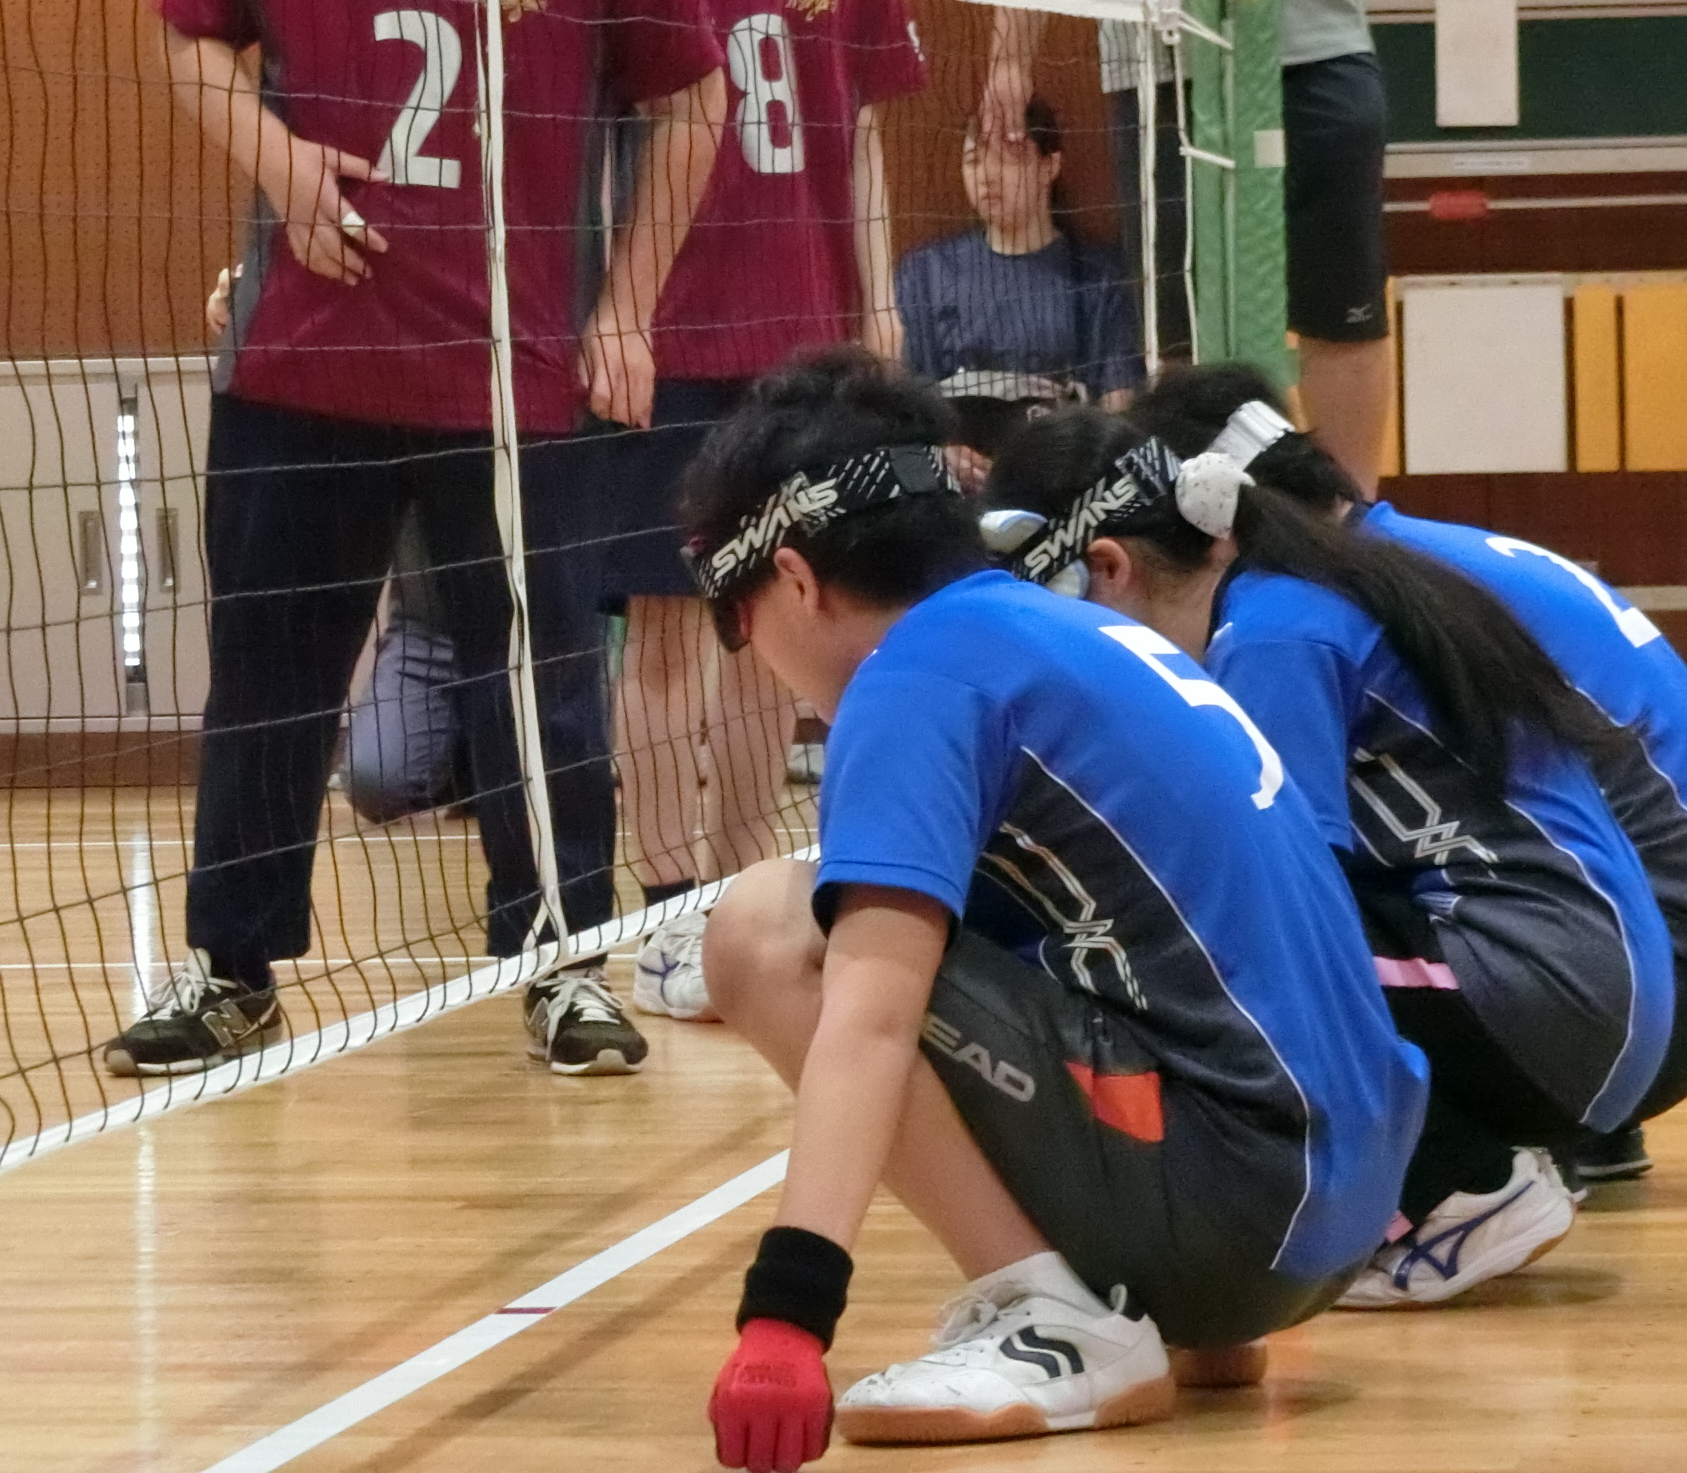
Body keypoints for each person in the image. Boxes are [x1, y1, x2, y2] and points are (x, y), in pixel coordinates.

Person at [684, 350, 1427, 1468]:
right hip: (1341, 1205)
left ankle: (1055, 1322)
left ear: (791, 578)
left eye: (733, 624)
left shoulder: (917, 676)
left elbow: (871, 1022)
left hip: (1243, 1206)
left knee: (760, 930)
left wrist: (786, 1316)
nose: (754, 663)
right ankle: (1183, 1321)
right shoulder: (1054, 627)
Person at [102, 0, 725, 1080]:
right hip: (298, 361)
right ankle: (232, 970)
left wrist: (627, 308)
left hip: (512, 375)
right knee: (267, 678)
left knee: (540, 681)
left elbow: (693, 93)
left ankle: (562, 962)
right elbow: (188, 37)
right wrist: (282, 166)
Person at [986, 405, 1675, 1309]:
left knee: (1174, 956)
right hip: (1588, 983)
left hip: (1561, 994)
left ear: (1108, 568)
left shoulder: (1272, 634)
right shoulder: (1295, 591)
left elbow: (1278, 885)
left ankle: (1457, 1190)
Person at [1131, 363, 1687, 1185]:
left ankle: (1452, 1176)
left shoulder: (1298, 615)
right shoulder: (1411, 556)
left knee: (1259, 916)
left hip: (1642, 975)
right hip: (1641, 969)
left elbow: (1289, 874)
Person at [604, 0, 925, 1025]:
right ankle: (663, 914)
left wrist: (875, 299)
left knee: (769, 625)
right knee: (659, 622)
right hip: (670, 324)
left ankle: (743, 897)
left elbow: (864, 133)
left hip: (800, 330)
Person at [987, 0, 1393, 495]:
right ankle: (1194, 523)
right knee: (1180, 334)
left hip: (1314, 48)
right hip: (1158, 62)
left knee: (1343, 316)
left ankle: (1354, 522)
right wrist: (1009, 59)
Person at [207, 263, 467, 826]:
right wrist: (255, 288)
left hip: (524, 624)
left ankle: (492, 761)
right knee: (372, 780)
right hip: (428, 631)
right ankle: (460, 759)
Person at [897, 102, 1142, 412]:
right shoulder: (926, 273)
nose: (987, 175)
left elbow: (1119, 400)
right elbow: (909, 402)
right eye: (974, 161)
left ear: (1049, 166)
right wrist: (948, 448)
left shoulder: (1098, 277)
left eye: (1008, 158)